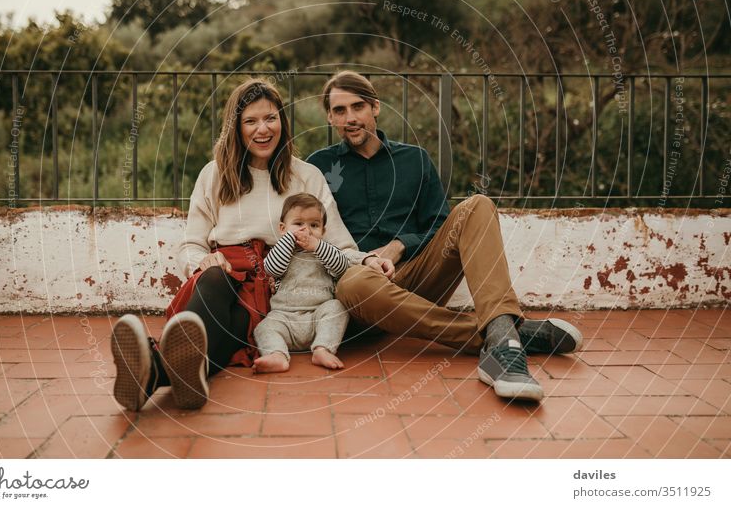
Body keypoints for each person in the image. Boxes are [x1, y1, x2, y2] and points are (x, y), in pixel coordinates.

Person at [110, 78, 389, 412]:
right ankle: (169, 373)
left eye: (270, 118)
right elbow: (191, 243)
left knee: (235, 326)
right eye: (251, 121)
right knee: (214, 281)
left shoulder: (307, 176)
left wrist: (368, 260)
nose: (263, 129)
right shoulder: (213, 175)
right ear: (236, 128)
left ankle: (154, 373)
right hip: (221, 278)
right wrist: (202, 261)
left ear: (283, 124)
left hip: (273, 287)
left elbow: (338, 243)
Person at [307, 71, 583, 402]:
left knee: (477, 205)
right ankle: (502, 334)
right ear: (329, 116)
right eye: (340, 111)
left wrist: (399, 246)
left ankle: (500, 342)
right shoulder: (319, 167)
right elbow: (310, 230)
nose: (350, 118)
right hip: (361, 291)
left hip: (417, 274)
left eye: (358, 106)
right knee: (352, 283)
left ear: (375, 107)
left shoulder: (414, 159)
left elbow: (438, 223)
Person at [252, 193, 350, 373]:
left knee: (337, 307)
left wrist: (318, 246)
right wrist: (289, 240)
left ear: (323, 231)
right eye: (298, 224)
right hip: (284, 318)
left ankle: (323, 349)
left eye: (314, 225)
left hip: (318, 317)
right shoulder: (280, 253)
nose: (306, 230)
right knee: (263, 327)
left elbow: (342, 266)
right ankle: (277, 354)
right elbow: (270, 269)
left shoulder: (325, 252)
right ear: (282, 228)